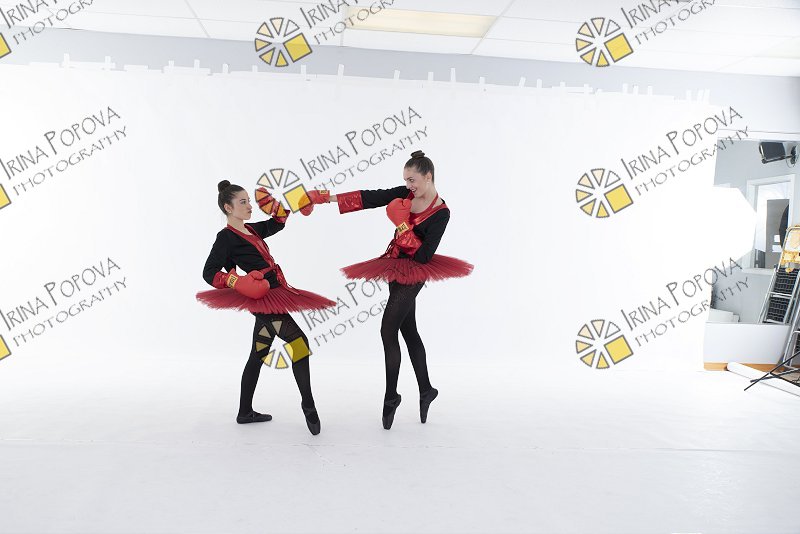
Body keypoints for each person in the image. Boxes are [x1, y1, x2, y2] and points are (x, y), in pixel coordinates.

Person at [300, 150, 473, 429]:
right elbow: (370, 197)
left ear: (428, 177)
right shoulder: (405, 194)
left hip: (415, 272)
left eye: (412, 180)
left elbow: (424, 257)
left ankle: (391, 396)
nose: (408, 185)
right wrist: (326, 198)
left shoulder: (441, 213)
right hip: (394, 265)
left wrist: (402, 225)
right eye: (405, 180)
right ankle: (426, 389)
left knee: (387, 329)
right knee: (408, 329)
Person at [197, 181, 336, 435]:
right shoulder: (226, 237)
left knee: (258, 353)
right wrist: (236, 281)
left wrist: (289, 201)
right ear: (228, 207)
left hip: (275, 291)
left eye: (249, 201)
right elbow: (209, 272)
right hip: (262, 298)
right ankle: (308, 404)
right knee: (299, 343)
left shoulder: (251, 229)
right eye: (243, 202)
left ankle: (244, 412)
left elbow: (277, 223)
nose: (249, 206)